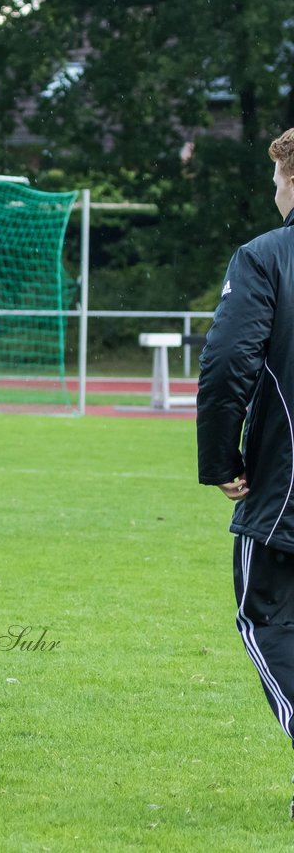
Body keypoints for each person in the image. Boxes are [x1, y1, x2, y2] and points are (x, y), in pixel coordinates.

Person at [198, 127, 294, 813]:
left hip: (285, 495)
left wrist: (220, 461)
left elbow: (229, 361)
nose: (275, 193)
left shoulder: (267, 257)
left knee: (264, 618)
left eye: (277, 182)